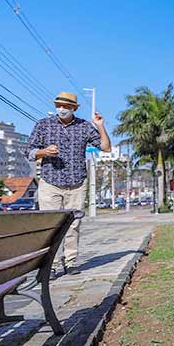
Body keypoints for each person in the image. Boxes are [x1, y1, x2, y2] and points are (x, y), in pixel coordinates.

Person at [27, 91, 112, 271]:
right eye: (58, 106)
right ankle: (50, 265)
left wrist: (100, 126)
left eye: (66, 106)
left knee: (73, 225)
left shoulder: (84, 126)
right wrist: (44, 152)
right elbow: (29, 151)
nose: (61, 109)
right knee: (50, 226)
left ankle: (70, 262)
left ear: (74, 108)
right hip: (50, 182)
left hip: (76, 183)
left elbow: (106, 147)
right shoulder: (43, 125)